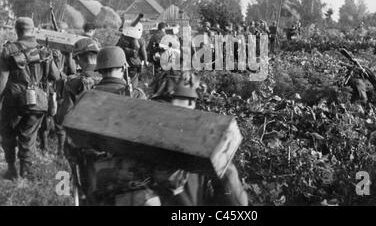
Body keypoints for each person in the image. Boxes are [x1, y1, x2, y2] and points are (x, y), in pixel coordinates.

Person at [64, 46, 148, 205]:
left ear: (100, 69)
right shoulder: (137, 94)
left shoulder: (85, 96)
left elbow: (71, 136)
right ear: (124, 67)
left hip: (94, 169)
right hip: (129, 173)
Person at [150, 70, 248, 206]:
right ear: (190, 102)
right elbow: (235, 203)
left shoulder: (133, 133)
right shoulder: (201, 140)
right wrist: (226, 167)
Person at [0, 17, 60, 179]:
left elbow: (2, 81)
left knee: (7, 133)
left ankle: (12, 169)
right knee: (28, 136)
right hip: (37, 101)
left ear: (17, 30)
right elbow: (55, 75)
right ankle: (25, 172)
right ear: (33, 30)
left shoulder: (8, 50)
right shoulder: (44, 50)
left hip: (13, 100)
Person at [55, 38, 102, 157]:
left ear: (79, 58)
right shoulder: (110, 78)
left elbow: (63, 117)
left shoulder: (73, 82)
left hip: (83, 139)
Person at [116, 14, 148, 89]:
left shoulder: (123, 39)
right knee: (133, 85)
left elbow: (116, 49)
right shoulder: (140, 40)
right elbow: (144, 53)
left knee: (123, 84)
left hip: (123, 64)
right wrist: (145, 61)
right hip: (135, 65)